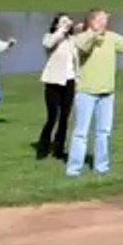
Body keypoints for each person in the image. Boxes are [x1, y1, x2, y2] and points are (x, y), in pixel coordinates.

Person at [65, 10, 123, 178]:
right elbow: (84, 46)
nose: (105, 22)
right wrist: (95, 33)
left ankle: (101, 167)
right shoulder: (82, 36)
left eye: (106, 19)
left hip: (107, 93)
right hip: (86, 92)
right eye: (102, 19)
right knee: (81, 133)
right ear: (92, 20)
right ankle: (74, 169)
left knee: (104, 131)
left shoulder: (111, 37)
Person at [37, 13, 78, 160]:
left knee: (64, 118)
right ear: (56, 25)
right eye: (63, 22)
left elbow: (77, 59)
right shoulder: (50, 36)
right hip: (53, 81)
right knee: (52, 116)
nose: (67, 24)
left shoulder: (73, 40)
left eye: (68, 21)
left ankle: (59, 149)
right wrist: (61, 30)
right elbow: (48, 44)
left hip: (69, 81)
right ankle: (43, 145)